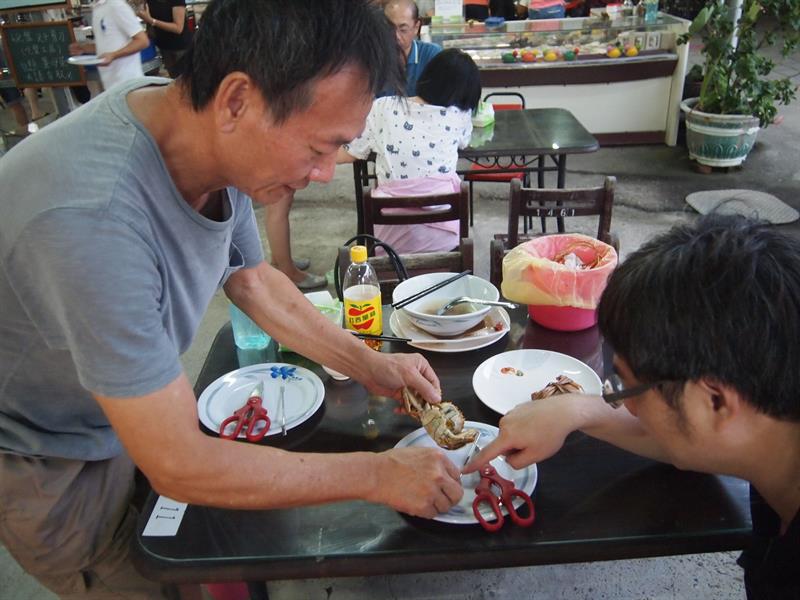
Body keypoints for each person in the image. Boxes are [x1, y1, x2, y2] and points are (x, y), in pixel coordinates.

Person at [0, 1, 464, 597]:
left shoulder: (202, 134)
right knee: (147, 581)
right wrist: (379, 475)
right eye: (319, 148)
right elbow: (178, 462)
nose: (325, 173)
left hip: (124, 412)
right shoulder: (93, 221)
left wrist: (372, 364)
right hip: (49, 457)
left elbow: (251, 278)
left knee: (209, 555)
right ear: (238, 101)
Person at [465, 215, 800, 599]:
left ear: (716, 401)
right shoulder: (770, 435)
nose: (628, 405)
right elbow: (682, 436)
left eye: (627, 386)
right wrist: (576, 410)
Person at [337, 48, 480, 254]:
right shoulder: (460, 117)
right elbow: (464, 142)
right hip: (444, 239)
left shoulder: (383, 108)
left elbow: (350, 152)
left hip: (389, 239)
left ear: (428, 76)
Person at [69, 0, 149, 90]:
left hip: (128, 83)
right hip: (111, 84)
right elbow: (108, 45)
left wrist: (114, 55)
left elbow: (142, 41)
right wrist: (84, 48)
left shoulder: (116, 5)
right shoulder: (97, 8)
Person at [384, 0, 441, 97]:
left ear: (416, 27)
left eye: (403, 30)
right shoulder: (374, 58)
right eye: (389, 28)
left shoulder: (432, 55)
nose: (396, 36)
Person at [136, 0, 193, 78]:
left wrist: (151, 21)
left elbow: (178, 28)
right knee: (174, 78)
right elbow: (149, 20)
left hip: (181, 47)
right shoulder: (150, 2)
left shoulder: (176, 2)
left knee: (187, 79)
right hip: (164, 45)